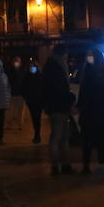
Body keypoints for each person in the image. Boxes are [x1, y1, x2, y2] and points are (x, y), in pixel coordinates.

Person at [78, 48, 104, 175]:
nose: (89, 58)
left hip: (100, 112)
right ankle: (87, 166)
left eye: (91, 55)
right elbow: (83, 93)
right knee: (89, 140)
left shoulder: (102, 73)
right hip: (92, 112)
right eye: (88, 55)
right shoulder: (89, 72)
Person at [42, 45, 75, 174]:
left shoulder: (50, 66)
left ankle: (60, 165)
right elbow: (60, 88)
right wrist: (70, 98)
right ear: (63, 54)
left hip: (55, 105)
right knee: (58, 136)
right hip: (58, 106)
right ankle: (58, 165)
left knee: (60, 136)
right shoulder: (56, 67)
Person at [21, 59, 44, 143]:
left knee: (37, 118)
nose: (32, 68)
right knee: (35, 118)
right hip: (31, 101)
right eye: (31, 67)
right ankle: (37, 134)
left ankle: (37, 135)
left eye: (34, 66)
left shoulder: (40, 76)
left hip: (39, 101)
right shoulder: (26, 77)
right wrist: (26, 98)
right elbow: (23, 89)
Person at [6, 55, 25, 130]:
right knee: (10, 110)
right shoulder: (10, 70)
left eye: (18, 61)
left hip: (20, 93)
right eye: (15, 61)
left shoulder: (23, 71)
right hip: (12, 93)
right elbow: (9, 80)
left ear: (20, 62)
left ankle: (20, 124)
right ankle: (9, 124)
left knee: (20, 110)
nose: (16, 62)